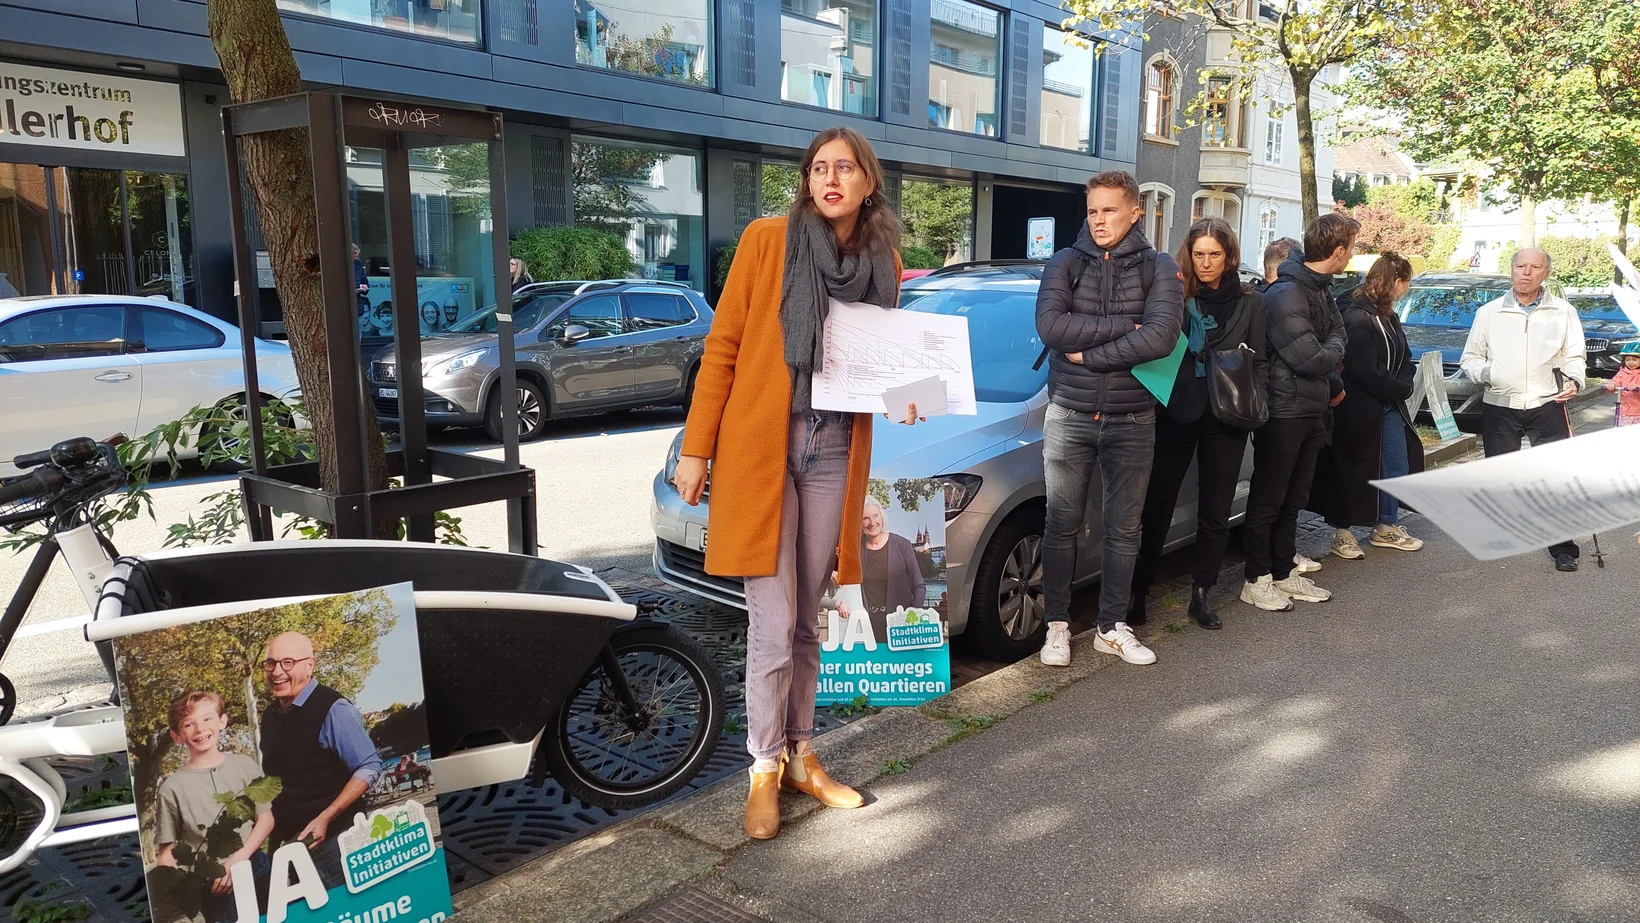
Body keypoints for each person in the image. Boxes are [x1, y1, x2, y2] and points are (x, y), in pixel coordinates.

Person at [670, 126, 912, 840]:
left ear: (869, 182)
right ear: (807, 180)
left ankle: (805, 754)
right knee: (772, 626)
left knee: (809, 618)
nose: (830, 178)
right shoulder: (767, 241)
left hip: (834, 449)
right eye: (819, 167)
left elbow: (883, 365)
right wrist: (697, 447)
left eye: (846, 168)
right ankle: (762, 768)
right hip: (763, 449)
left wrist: (912, 388)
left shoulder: (882, 260)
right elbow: (725, 345)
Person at [1034, 170, 1184, 668]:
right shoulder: (1063, 263)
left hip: (1133, 416)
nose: (1099, 220)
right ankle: (1056, 626)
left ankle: (1110, 627)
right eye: (1092, 210)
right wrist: (1126, 326)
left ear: (1134, 211)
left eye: (1110, 210)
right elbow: (1052, 327)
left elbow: (1162, 337)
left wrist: (1091, 355)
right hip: (1070, 413)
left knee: (1124, 529)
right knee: (1061, 525)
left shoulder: (1159, 266)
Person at [1130, 218, 1268, 631]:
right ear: (1187, 255)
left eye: (1215, 254)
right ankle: (1138, 591)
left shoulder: (1251, 302)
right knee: (1157, 507)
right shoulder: (1173, 294)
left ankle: (1202, 592)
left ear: (1229, 257)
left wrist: (1256, 399)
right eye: (1199, 254)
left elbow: (1259, 360)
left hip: (1227, 415)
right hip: (1176, 411)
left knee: (1215, 509)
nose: (1206, 263)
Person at [1240, 213, 1356, 611]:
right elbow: (1308, 356)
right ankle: (1256, 578)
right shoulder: (1287, 292)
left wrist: (1330, 350)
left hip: (1311, 406)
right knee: (1269, 497)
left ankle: (1283, 570)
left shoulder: (1319, 289)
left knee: (1293, 498)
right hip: (1284, 408)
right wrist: (1332, 352)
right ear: (1339, 251)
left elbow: (1339, 334)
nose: (1351, 255)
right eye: (1351, 248)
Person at [1459, 247, 1586, 571]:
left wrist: (1574, 379)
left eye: (1534, 267)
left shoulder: (1563, 312)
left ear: (1545, 273)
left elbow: (1575, 356)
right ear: (1512, 270)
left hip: (1547, 402)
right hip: (1501, 404)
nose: (1526, 273)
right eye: (1520, 266)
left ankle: (1563, 547)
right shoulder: (1489, 312)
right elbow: (1470, 358)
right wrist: (1488, 374)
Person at [1310, 252, 1426, 559]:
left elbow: (1404, 354)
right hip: (1356, 406)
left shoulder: (1386, 313)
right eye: (1406, 284)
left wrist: (1403, 380)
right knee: (1351, 468)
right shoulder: (1355, 314)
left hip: (1387, 404)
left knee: (1395, 464)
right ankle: (1342, 531)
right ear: (1397, 282)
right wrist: (1399, 387)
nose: (1406, 291)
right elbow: (1365, 369)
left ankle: (1386, 524)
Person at [258, 631, 383, 890]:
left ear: (310, 665)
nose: (277, 671)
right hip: (294, 849)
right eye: (270, 663)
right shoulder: (270, 716)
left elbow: (369, 766)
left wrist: (326, 817)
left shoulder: (333, 708)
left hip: (339, 842)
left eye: (287, 662)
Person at [154, 690, 274, 923]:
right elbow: (166, 852)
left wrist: (239, 859)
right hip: (213, 885)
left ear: (222, 721)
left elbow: (266, 819)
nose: (200, 729)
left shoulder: (244, 766)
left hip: (254, 866)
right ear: (177, 735)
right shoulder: (171, 788)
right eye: (189, 724)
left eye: (207, 719)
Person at [860, 496, 926, 615]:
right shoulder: (855, 549)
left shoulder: (902, 545)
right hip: (866, 624)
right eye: (865, 518)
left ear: (882, 516)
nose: (872, 522)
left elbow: (919, 586)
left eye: (875, 516)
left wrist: (913, 616)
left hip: (899, 625)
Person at [1602, 341, 1640, 426]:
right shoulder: (1622, 373)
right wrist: (1612, 385)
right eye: (1627, 360)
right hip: (1624, 411)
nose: (1630, 362)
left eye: (1634, 359)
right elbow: (1616, 380)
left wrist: (1636, 386)